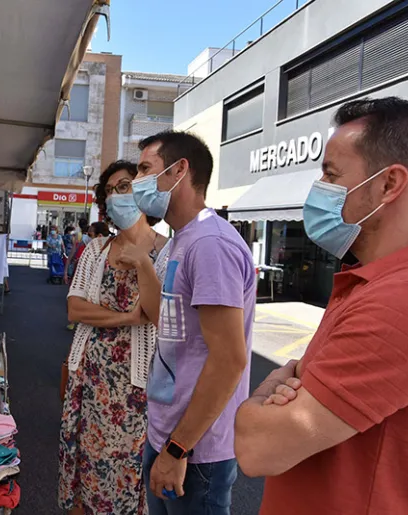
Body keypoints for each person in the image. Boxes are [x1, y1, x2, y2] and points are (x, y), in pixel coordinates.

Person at [235, 97, 408, 515]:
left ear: (389, 184)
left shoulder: (401, 301)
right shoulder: (372, 284)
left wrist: (258, 398)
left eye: (331, 175)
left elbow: (256, 448)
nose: (317, 190)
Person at [134, 131, 255, 515]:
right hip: (170, 434)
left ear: (179, 170)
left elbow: (229, 360)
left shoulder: (210, 244)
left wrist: (177, 447)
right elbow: (164, 319)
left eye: (145, 169)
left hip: (195, 451)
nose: (138, 182)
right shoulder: (181, 240)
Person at [59, 160, 169, 515]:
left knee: (125, 473)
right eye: (109, 190)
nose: (116, 195)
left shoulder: (167, 251)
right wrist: (126, 317)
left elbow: (156, 315)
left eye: (124, 186)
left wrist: (143, 263)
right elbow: (75, 308)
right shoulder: (96, 250)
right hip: (88, 376)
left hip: (134, 387)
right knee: (83, 467)